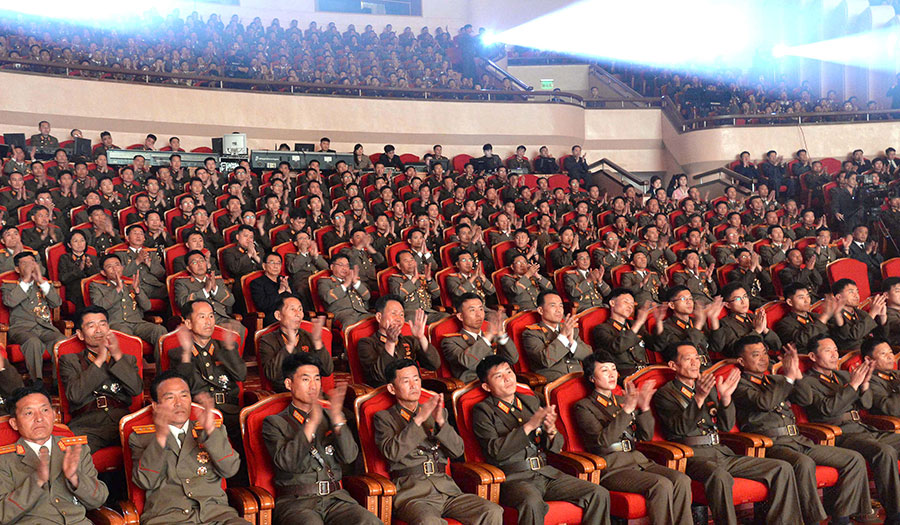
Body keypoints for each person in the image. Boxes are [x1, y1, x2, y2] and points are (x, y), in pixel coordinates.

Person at [652, 341, 802, 525]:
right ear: (673, 365)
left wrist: (725, 399)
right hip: (693, 456)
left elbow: (725, 425)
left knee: (782, 468)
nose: (694, 363)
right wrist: (698, 398)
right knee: (720, 476)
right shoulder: (666, 394)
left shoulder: (707, 387)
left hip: (721, 452)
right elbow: (680, 428)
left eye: (697, 358)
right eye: (687, 359)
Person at [731, 335, 874, 525]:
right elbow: (764, 403)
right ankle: (812, 520)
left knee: (853, 459)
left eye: (765, 353)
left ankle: (841, 519)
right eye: (756, 355)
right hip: (772, 444)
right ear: (742, 361)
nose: (763, 358)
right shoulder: (740, 385)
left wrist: (796, 375)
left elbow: (805, 399)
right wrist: (788, 379)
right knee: (803, 463)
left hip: (798, 440)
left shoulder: (776, 380)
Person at [472, 355, 611, 525]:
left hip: (545, 473)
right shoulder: (483, 411)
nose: (507, 378)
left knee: (598, 493)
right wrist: (529, 426)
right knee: (532, 502)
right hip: (514, 479)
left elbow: (556, 447)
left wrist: (551, 431)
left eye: (509, 372)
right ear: (486, 386)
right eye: (499, 376)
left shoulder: (530, 400)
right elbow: (495, 451)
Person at [374, 359, 504, 525]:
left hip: (447, 490)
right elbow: (392, 453)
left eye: (416, 379)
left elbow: (457, 451)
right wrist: (419, 420)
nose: (414, 386)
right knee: (429, 521)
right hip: (413, 495)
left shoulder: (437, 412)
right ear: (392, 388)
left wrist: (441, 423)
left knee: (491, 510)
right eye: (406, 381)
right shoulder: (384, 418)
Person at [262, 352, 381, 525]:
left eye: (317, 379)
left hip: (336, 500)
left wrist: (338, 421)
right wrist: (310, 425)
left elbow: (349, 457)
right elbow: (288, 463)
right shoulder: (275, 423)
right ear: (289, 384)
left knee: (369, 521)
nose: (313, 386)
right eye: (306, 379)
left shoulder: (331, 416)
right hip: (297, 503)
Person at [573, 353, 692, 525]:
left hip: (638, 461)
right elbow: (603, 440)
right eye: (605, 370)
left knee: (682, 480)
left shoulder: (622, 400)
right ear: (592, 378)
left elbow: (646, 436)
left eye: (614, 369)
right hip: (612, 467)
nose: (612, 374)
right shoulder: (584, 406)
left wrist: (644, 408)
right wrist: (627, 410)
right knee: (661, 484)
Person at [796, 334, 900, 524]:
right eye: (828, 351)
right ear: (812, 356)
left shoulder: (842, 375)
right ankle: (895, 514)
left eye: (836, 350)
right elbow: (827, 409)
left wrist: (865, 384)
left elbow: (866, 404)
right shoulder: (808, 381)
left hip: (862, 428)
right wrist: (853, 385)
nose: (834, 355)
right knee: (884, 451)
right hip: (840, 434)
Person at [129, 370, 247, 525]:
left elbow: (230, 469)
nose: (179, 403)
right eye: (170, 397)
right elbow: (145, 481)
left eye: (184, 395)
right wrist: (161, 438)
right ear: (156, 406)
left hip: (217, 516)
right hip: (169, 519)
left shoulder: (210, 430)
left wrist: (210, 433)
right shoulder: (141, 438)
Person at [0, 384, 107, 524]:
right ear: (14, 423)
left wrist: (75, 479)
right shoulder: (5, 459)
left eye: (45, 410)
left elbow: (99, 499)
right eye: (29, 413)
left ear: (54, 416)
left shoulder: (76, 449)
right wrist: (35, 483)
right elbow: (2, 514)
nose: (39, 418)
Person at [59, 306, 142, 453]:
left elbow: (136, 389)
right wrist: (100, 360)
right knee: (72, 454)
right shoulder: (70, 360)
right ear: (80, 334)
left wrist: (116, 355)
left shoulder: (126, 360)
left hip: (121, 421)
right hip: (87, 425)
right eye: (91, 326)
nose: (98, 330)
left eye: (103, 324)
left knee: (152, 445)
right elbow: (75, 395)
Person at [170, 300, 246, 432]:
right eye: (202, 317)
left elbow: (241, 375)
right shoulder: (179, 354)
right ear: (188, 323)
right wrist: (186, 354)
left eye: (211, 316)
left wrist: (228, 350)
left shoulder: (225, 347)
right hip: (199, 414)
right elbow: (189, 386)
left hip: (230, 412)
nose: (208, 322)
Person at [2, 251, 64, 382]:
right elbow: (10, 302)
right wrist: (26, 280)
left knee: (60, 340)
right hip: (22, 329)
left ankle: (57, 381)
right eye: (25, 263)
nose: (30, 266)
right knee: (33, 342)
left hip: (45, 328)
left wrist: (41, 280)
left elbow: (57, 303)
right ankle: (37, 381)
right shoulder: (9, 285)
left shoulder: (44, 284)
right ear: (17, 269)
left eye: (32, 262)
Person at [89, 254, 166, 359]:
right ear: (103, 272)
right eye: (110, 267)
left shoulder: (131, 283)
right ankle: (133, 368)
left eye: (117, 265)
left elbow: (147, 306)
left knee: (160, 330)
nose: (115, 269)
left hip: (137, 323)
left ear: (122, 268)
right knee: (126, 334)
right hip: (116, 324)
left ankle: (163, 368)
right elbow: (98, 307)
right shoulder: (97, 286)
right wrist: (117, 290)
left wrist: (137, 290)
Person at [357, 295, 439, 386]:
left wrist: (421, 337)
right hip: (386, 391)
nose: (398, 319)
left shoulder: (409, 341)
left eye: (401, 315)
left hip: (413, 389)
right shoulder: (367, 343)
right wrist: (390, 343)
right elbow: (379, 376)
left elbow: (434, 365)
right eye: (394, 313)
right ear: (379, 317)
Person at [257, 294, 332, 392]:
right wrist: (289, 346)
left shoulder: (311, 337)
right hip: (286, 395)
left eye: (300, 309)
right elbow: (272, 375)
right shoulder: (268, 340)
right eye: (292, 309)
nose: (298, 314)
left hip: (313, 393)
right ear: (278, 315)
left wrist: (318, 344)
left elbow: (327, 371)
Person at [440, 293, 516, 382]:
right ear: (460, 316)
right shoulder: (450, 341)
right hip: (475, 384)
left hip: (502, 382)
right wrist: (488, 338)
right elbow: (467, 362)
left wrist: (501, 334)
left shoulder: (492, 336)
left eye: (481, 309)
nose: (479, 314)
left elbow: (513, 359)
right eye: (472, 310)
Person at [173, 249, 246, 342]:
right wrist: (205, 290)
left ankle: (234, 353)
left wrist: (215, 288)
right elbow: (182, 303)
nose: (199, 264)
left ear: (206, 263)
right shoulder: (182, 282)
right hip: (199, 321)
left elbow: (231, 301)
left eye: (202, 261)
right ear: (188, 268)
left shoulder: (216, 280)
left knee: (239, 328)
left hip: (221, 319)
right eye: (194, 262)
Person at [521, 291, 591, 381]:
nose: (559, 310)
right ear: (540, 310)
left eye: (561, 306)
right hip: (556, 382)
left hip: (580, 379)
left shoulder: (569, 329)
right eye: (553, 305)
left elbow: (589, 355)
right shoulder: (532, 334)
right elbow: (545, 360)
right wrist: (563, 336)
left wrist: (572, 343)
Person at [650, 286, 718, 366]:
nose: (689, 302)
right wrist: (698, 326)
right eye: (683, 299)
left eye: (690, 298)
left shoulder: (695, 321)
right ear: (672, 305)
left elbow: (716, 347)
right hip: (688, 369)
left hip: (708, 367)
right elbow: (684, 352)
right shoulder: (665, 327)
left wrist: (714, 319)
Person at [591, 288, 653, 375]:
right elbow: (617, 347)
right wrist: (638, 323)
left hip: (644, 371)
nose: (630, 306)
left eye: (632, 304)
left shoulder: (633, 324)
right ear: (612, 303)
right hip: (624, 375)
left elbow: (655, 345)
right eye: (626, 302)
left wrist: (659, 324)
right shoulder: (602, 329)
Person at [710, 282, 781, 357]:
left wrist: (765, 329)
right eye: (737, 299)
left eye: (745, 296)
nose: (743, 301)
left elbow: (777, 346)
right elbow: (734, 350)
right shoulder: (726, 323)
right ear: (727, 305)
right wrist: (757, 331)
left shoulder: (753, 317)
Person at [389, 250, 446, 323]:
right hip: (410, 315)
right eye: (406, 261)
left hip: (427, 313)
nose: (410, 263)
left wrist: (428, 279)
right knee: (413, 320)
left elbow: (436, 294)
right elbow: (398, 295)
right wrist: (414, 279)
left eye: (412, 260)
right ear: (399, 266)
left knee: (446, 317)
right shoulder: (394, 279)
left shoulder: (422, 277)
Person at [318, 252, 372, 328]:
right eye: (341, 265)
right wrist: (346, 284)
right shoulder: (325, 281)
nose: (345, 268)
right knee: (350, 325)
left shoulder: (353, 281)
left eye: (347, 265)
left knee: (376, 321)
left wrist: (355, 283)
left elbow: (367, 296)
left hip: (361, 313)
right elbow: (327, 298)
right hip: (343, 315)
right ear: (332, 267)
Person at [829, 279, 880, 352]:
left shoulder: (861, 313)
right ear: (839, 297)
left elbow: (878, 334)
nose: (856, 296)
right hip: (852, 352)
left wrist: (883, 317)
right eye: (851, 292)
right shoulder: (834, 316)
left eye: (857, 292)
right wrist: (872, 313)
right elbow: (854, 335)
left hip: (869, 349)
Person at [250, 252, 292, 327]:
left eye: (278, 263)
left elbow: (299, 300)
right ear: (264, 266)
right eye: (272, 263)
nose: (276, 266)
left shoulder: (285, 280)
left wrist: (288, 289)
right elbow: (263, 305)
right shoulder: (257, 283)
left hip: (291, 313)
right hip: (272, 316)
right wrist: (279, 291)